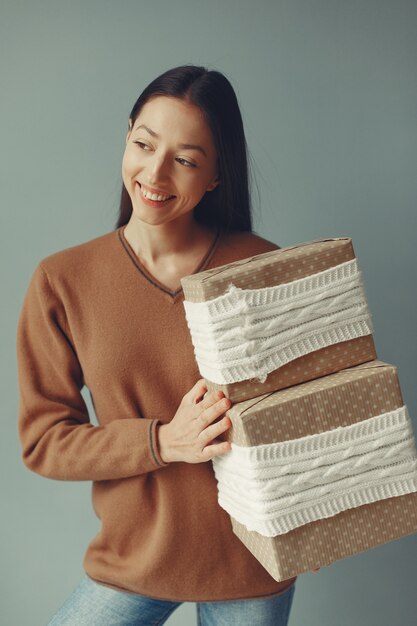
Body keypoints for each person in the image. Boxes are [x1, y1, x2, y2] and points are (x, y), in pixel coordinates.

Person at [16, 65, 302, 625]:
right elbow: (45, 441)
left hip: (251, 563)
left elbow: (305, 415)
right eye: (144, 144)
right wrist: (164, 442)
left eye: (187, 159)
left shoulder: (267, 268)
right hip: (134, 557)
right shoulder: (62, 280)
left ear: (217, 174)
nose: (155, 172)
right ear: (127, 135)